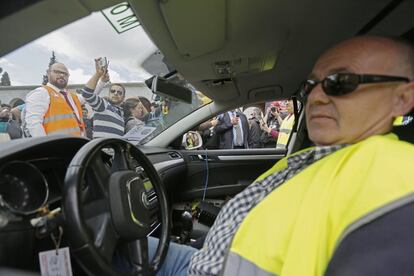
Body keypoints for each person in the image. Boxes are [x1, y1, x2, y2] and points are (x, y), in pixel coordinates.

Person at [140, 35, 414, 276]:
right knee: (109, 240)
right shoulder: (309, 158)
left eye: (339, 81)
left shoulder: (400, 179)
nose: (315, 97)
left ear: (403, 98)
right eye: (310, 86)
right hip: (204, 260)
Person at [24, 62, 85, 137]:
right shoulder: (41, 92)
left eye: (65, 74)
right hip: (55, 146)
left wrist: (101, 80)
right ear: (48, 73)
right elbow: (34, 124)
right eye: (57, 72)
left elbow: (88, 96)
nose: (62, 75)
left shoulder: (71, 96)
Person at [82, 59, 125, 138]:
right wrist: (98, 74)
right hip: (102, 149)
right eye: (113, 91)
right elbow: (86, 94)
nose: (115, 93)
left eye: (119, 92)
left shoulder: (121, 113)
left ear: (123, 97)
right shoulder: (103, 105)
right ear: (109, 94)